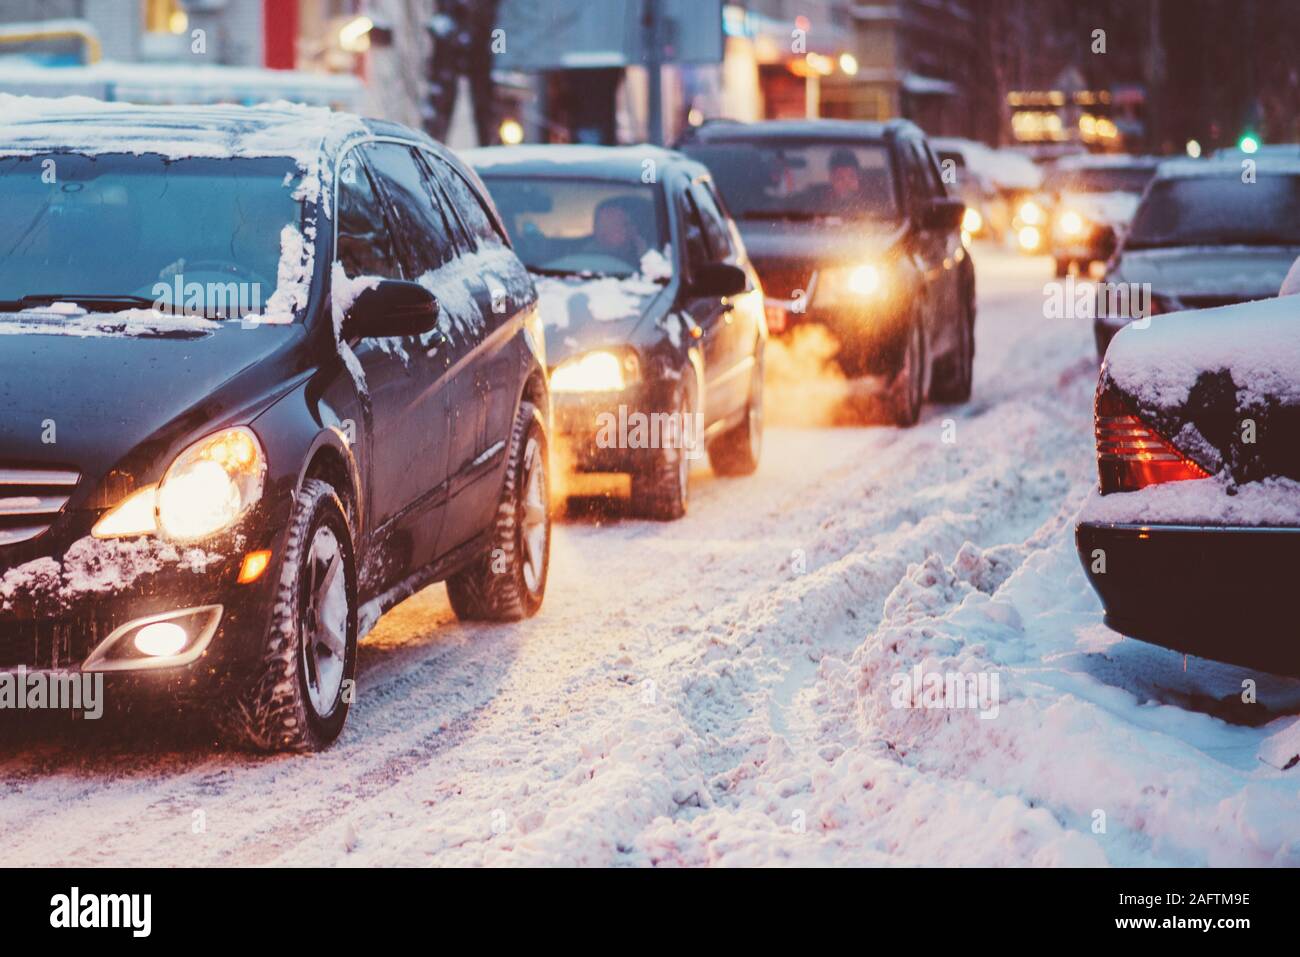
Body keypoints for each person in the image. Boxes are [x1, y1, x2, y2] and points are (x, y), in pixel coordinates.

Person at [588, 198, 648, 268]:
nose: (603, 232)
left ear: (632, 229)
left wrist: (645, 258)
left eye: (613, 225)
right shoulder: (583, 256)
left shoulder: (652, 258)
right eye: (601, 225)